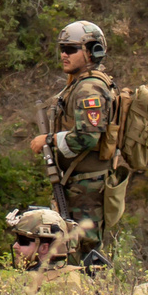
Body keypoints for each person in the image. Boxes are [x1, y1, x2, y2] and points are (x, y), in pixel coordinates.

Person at [26, 19, 122, 273]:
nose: (63, 54)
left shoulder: (89, 88)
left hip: (87, 185)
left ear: (92, 52)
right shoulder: (79, 84)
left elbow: (88, 137)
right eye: (62, 48)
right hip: (77, 182)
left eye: (71, 48)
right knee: (71, 246)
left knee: (85, 249)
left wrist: (48, 140)